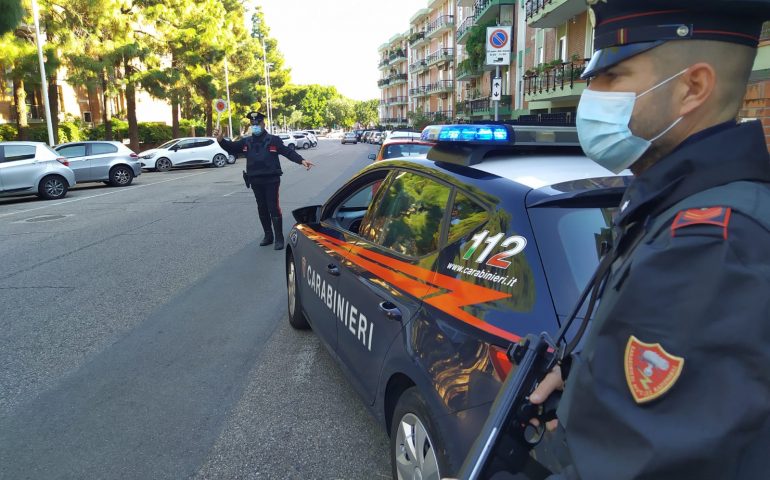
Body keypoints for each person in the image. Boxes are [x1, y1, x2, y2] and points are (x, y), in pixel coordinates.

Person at [523, 1, 770, 479]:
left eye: (613, 77)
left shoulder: (710, 243)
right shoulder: (676, 199)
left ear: (692, 89)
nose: (589, 95)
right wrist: (578, 376)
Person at [214, 112, 314, 250]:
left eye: (257, 124)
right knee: (262, 208)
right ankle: (268, 235)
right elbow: (231, 147)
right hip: (255, 179)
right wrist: (221, 140)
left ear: (263, 124)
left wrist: (301, 160)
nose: (255, 126)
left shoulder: (273, 140)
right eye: (252, 124)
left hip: (271, 180)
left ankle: (279, 237)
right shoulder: (246, 141)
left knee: (273, 207)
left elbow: (287, 152)